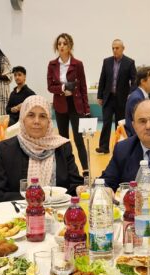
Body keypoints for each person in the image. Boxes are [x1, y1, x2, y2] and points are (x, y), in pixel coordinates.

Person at [0, 95, 83, 203]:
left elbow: (75, 185)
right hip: (19, 211)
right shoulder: (5, 150)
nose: (36, 121)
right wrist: (34, 198)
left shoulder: (62, 147)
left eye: (42, 116)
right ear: (23, 119)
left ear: (49, 121)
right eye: (31, 115)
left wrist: (79, 189)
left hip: (57, 211)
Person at [47, 33, 90, 173]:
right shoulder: (52, 64)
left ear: (70, 46)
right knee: (63, 139)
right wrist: (62, 88)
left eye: (64, 43)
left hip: (75, 105)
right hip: (60, 105)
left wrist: (87, 109)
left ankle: (86, 170)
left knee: (79, 139)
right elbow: (50, 87)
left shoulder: (78, 64)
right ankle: (67, 170)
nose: (62, 46)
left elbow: (83, 87)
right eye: (59, 44)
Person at [97, 39, 136, 154]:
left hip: (122, 99)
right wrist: (100, 96)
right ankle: (104, 147)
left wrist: (131, 94)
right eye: (113, 48)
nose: (114, 50)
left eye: (117, 48)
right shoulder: (107, 61)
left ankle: (119, 147)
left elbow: (134, 80)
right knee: (106, 122)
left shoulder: (129, 62)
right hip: (108, 98)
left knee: (120, 124)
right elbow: (102, 79)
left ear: (123, 48)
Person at [124, 66, 150, 137]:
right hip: (135, 137)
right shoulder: (136, 98)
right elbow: (138, 124)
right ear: (143, 81)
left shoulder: (143, 95)